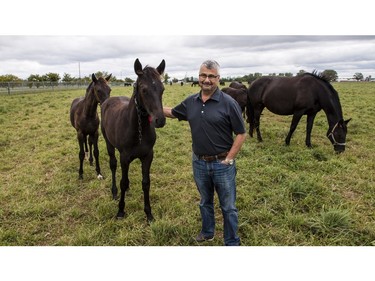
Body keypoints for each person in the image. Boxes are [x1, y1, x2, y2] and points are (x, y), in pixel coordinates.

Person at [163, 60, 246, 246]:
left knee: (228, 207)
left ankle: (232, 241)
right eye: (203, 75)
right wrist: (151, 107)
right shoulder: (191, 102)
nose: (206, 80)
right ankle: (208, 232)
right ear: (198, 77)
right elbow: (173, 112)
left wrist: (229, 159)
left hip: (222, 164)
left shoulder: (229, 103)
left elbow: (241, 133)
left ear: (218, 78)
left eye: (211, 76)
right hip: (199, 162)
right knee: (205, 201)